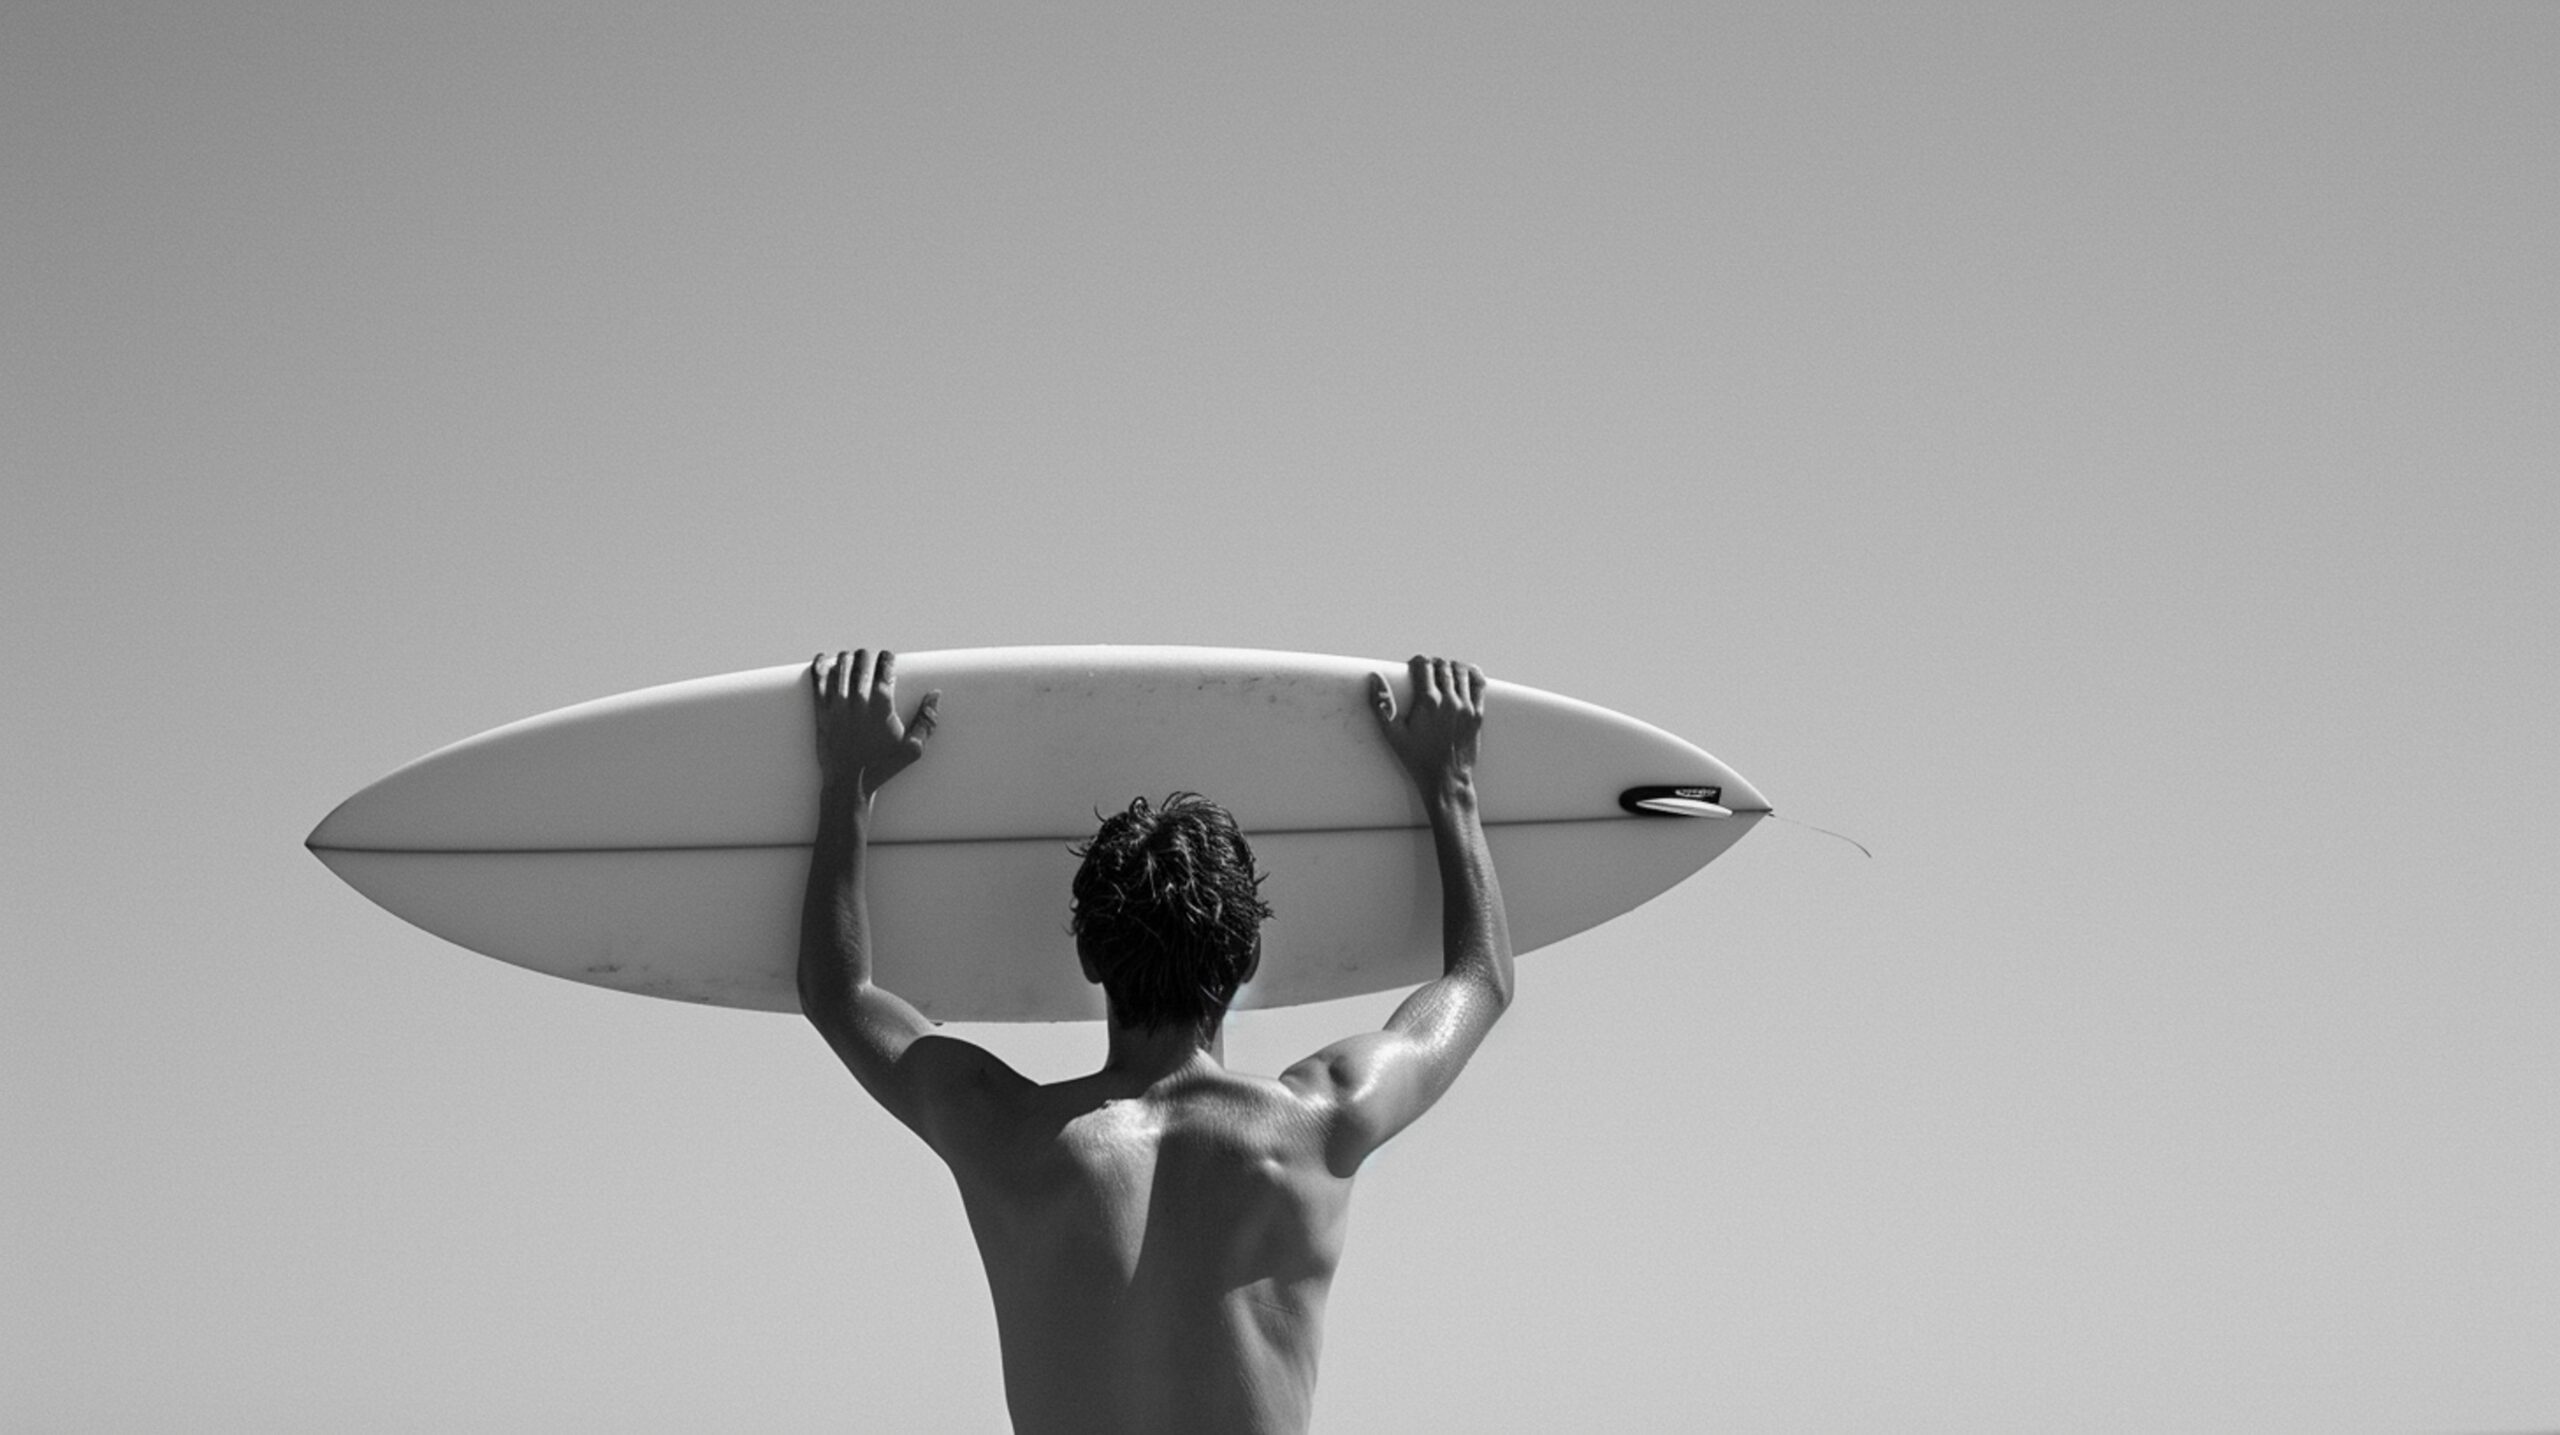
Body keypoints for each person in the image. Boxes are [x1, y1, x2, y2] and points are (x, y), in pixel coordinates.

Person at [797, 648, 1513, 1435]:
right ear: (1247, 960)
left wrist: (848, 785)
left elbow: (839, 992)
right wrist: (1450, 785)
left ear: (1089, 958)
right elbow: (1479, 980)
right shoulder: (1319, 1122)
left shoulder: (1006, 1133)